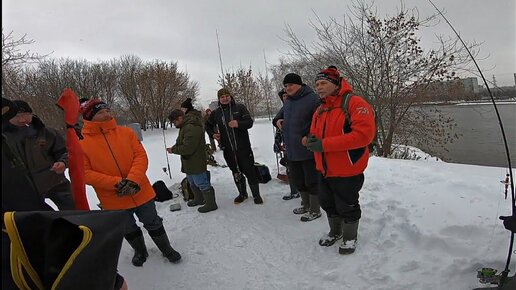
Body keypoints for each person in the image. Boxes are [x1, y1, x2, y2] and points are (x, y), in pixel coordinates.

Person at [79, 98, 181, 266]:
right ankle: (140, 250)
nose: (106, 114)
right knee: (127, 227)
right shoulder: (81, 144)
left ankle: (166, 248)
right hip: (113, 197)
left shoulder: (126, 133)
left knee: (153, 221)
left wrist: (132, 180)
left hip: (140, 190)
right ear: (90, 117)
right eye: (100, 112)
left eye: (107, 110)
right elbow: (85, 173)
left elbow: (140, 156)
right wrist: (118, 183)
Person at [307, 67, 376, 254]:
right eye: (317, 84)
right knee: (328, 203)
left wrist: (324, 145)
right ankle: (335, 231)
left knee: (347, 205)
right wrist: (307, 140)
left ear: (336, 83)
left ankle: (350, 237)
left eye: (323, 83)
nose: (319, 88)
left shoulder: (354, 103)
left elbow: (363, 136)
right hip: (324, 169)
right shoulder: (320, 109)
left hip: (348, 170)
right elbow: (314, 135)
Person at [2, 100, 75, 210]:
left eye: (26, 115)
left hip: (54, 180)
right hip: (26, 188)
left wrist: (63, 162)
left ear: (31, 114)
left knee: (74, 210)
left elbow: (65, 152)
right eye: (17, 116)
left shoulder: (46, 132)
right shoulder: (5, 138)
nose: (22, 119)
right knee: (39, 218)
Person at [273, 73, 321, 221]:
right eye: (286, 86)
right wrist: (278, 121)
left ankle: (315, 209)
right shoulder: (288, 101)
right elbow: (277, 117)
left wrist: (309, 135)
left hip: (307, 149)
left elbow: (319, 122)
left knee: (311, 180)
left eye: (290, 85)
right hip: (291, 149)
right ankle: (305, 205)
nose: (288, 88)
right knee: (299, 180)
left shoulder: (313, 99)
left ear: (299, 84)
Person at [205, 88, 263, 204]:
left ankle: (256, 195)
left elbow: (249, 122)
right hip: (228, 149)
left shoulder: (239, 108)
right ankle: (242, 194)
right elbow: (207, 125)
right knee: (236, 171)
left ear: (230, 97)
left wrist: (238, 124)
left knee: (249, 170)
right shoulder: (216, 113)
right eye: (222, 97)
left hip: (243, 147)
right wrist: (213, 134)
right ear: (219, 99)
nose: (225, 98)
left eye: (227, 96)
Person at [167, 109, 218, 212]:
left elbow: (188, 147)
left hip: (196, 161)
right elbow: (182, 142)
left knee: (202, 182)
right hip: (189, 162)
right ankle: (199, 199)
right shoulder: (184, 127)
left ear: (180, 118)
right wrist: (174, 147)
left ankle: (211, 204)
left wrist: (174, 150)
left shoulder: (191, 127)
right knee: (192, 182)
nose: (174, 124)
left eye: (174, 121)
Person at [274, 89, 300, 201]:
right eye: (283, 96)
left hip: (299, 144)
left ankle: (307, 196)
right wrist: (276, 141)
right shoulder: (283, 110)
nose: (286, 97)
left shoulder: (298, 107)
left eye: (287, 95)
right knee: (290, 168)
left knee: (302, 170)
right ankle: (294, 191)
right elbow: (278, 126)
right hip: (287, 144)